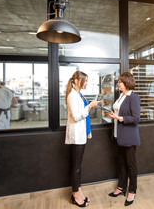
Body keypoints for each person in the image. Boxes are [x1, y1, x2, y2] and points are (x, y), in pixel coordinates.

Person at [65, 71, 100, 207]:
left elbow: (82, 111)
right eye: (85, 81)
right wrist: (89, 106)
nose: (86, 83)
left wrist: (89, 106)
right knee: (76, 167)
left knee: (78, 166)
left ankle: (78, 191)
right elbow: (77, 116)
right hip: (76, 135)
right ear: (77, 81)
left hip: (82, 134)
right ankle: (75, 195)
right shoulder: (72, 96)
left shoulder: (79, 94)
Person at [106, 72, 141, 207]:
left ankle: (132, 190)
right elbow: (119, 113)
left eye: (120, 82)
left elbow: (136, 119)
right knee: (121, 163)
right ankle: (121, 187)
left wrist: (119, 118)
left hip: (129, 137)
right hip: (118, 135)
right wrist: (113, 115)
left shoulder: (133, 97)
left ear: (126, 83)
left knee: (131, 165)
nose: (118, 84)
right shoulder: (121, 96)